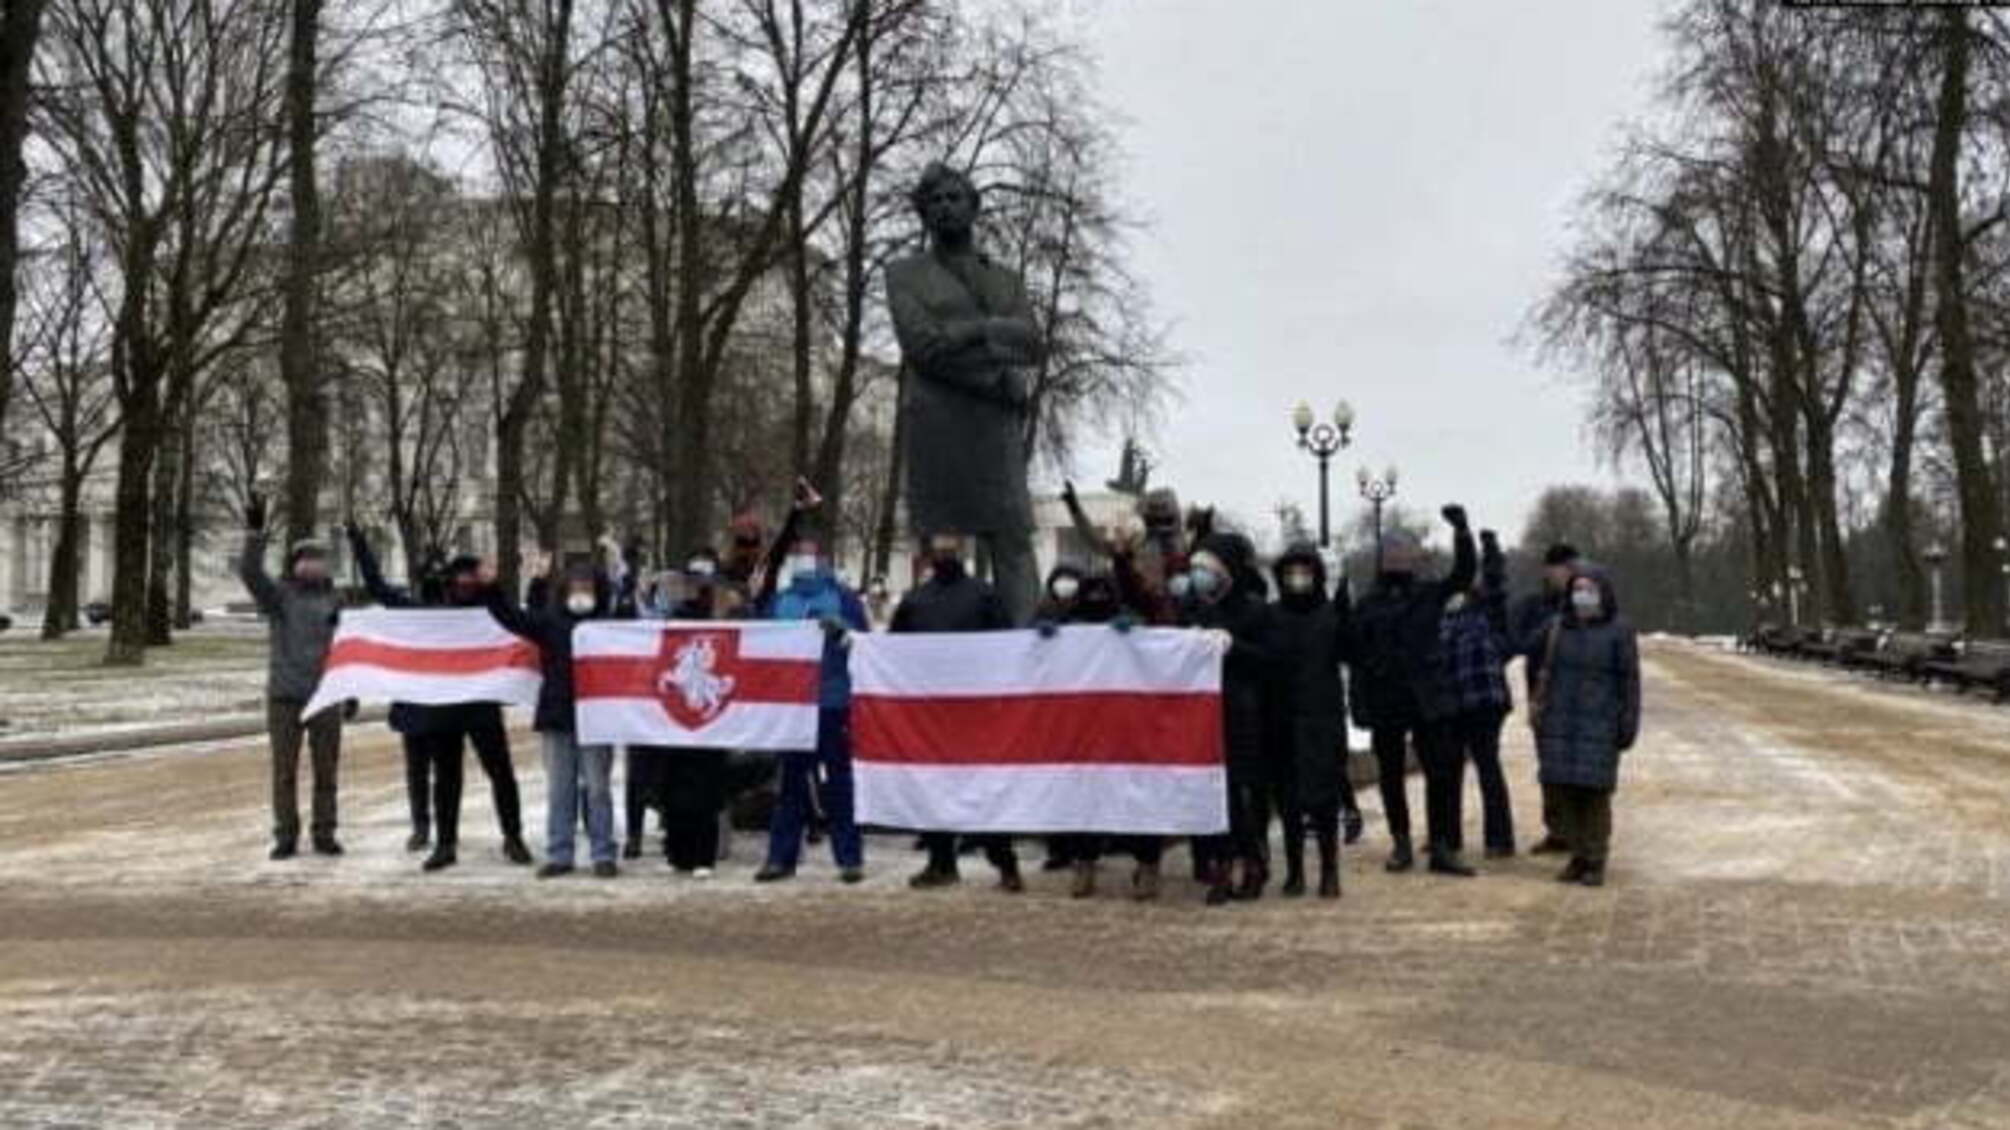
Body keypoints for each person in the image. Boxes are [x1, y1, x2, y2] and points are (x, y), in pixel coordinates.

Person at [886, 163, 1045, 624]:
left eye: (955, 198)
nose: (945, 207)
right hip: (940, 426)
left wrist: (971, 332)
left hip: (994, 433)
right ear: (922, 214)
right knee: (943, 549)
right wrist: (996, 372)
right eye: (934, 201)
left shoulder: (1005, 280)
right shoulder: (903, 274)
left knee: (1013, 539)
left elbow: (1031, 343)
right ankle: (945, 655)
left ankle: (1026, 648)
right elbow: (924, 347)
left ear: (974, 206)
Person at [350, 528, 533, 872]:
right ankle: (445, 844)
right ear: (450, 581)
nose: (465, 583)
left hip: (481, 706)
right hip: (444, 709)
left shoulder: (491, 611)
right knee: (447, 779)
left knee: (501, 774)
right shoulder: (430, 614)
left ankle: (514, 837)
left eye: (470, 577)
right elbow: (382, 592)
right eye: (459, 577)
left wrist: (495, 585)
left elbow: (521, 621)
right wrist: (360, 546)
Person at [1349, 505, 1478, 877]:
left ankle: (1440, 845)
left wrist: (1462, 534)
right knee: (1390, 774)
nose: (1397, 558)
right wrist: (1359, 702)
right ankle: (1401, 841)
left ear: (1414, 558)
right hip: (1386, 699)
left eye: (1403, 551)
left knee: (1438, 771)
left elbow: (1463, 575)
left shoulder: (1427, 593)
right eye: (1390, 552)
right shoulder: (1368, 604)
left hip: (1427, 697)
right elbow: (1356, 654)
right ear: (1380, 560)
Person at [895, 530, 1023, 891]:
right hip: (931, 713)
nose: (945, 554)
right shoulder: (915, 601)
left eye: (951, 549)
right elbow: (893, 652)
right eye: (939, 549)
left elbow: (1007, 646)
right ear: (929, 553)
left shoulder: (984, 596)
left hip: (978, 714)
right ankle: (941, 861)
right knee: (933, 788)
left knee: (985, 788)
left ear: (962, 552)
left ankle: (1006, 863)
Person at [487, 556, 623, 879]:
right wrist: (491, 588)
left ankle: (603, 853)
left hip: (597, 718)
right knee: (560, 789)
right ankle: (560, 853)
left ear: (598, 591)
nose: (581, 593)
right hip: (558, 715)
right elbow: (511, 618)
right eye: (576, 587)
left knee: (598, 788)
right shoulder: (551, 622)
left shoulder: (609, 624)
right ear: (564, 591)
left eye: (587, 588)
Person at [755, 533, 870, 884]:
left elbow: (866, 644)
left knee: (839, 783)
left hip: (833, 702)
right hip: (793, 707)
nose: (804, 559)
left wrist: (843, 631)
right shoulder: (780, 601)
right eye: (798, 554)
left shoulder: (843, 597)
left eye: (810, 553)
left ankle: (849, 858)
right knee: (791, 784)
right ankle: (781, 858)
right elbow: (759, 646)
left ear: (823, 558)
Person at [237, 493, 345, 861]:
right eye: (307, 559)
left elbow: (348, 648)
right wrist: (254, 533)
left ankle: (325, 832)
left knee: (326, 772)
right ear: (296, 564)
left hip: (327, 697)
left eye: (319, 560)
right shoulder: (280, 597)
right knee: (284, 772)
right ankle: (286, 835)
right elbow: (250, 574)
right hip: (286, 696)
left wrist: (351, 688)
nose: (313, 565)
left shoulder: (336, 601)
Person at [1032, 566, 1148, 899]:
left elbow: (1154, 644)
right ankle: (1084, 862)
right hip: (1082, 728)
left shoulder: (1128, 619)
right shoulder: (1067, 625)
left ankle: (1147, 862)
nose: (1097, 599)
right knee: (1085, 799)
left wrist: (1137, 630)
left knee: (1133, 798)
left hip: (1122, 726)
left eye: (1104, 592)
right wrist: (1041, 638)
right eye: (1091, 592)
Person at [1526, 562, 1641, 887]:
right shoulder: (1558, 627)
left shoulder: (1619, 630)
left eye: (1588, 589)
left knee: (1594, 795)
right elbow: (1529, 651)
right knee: (1564, 793)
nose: (1582, 595)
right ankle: (1577, 854)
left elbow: (1629, 682)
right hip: (1561, 724)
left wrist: (1627, 722)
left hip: (1599, 725)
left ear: (1602, 592)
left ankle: (1595, 858)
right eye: (1577, 589)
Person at [1183, 532, 1276, 905]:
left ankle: (1252, 862)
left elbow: (1271, 659)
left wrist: (1234, 646)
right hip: (1205, 714)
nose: (1200, 576)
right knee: (1214, 794)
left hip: (1244, 713)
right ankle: (1220, 863)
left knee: (1241, 793)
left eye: (1208, 568)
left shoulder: (1254, 610)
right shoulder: (1197, 609)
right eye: (1196, 569)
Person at [1266, 543, 1356, 899]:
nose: (1297, 579)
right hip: (1283, 719)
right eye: (1290, 572)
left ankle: (1330, 871)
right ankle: (1295, 872)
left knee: (1324, 799)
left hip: (1323, 719)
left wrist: (1347, 617)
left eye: (1304, 571)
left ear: (1316, 575)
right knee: (1288, 802)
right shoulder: (1272, 616)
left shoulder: (1330, 615)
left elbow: (1351, 653)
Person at [1437, 529, 1517, 858]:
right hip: (1453, 702)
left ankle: (1499, 839)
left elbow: (1495, 581)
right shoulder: (1442, 615)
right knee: (1450, 769)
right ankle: (1449, 837)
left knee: (1487, 766)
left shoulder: (1485, 609)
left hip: (1485, 700)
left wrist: (1490, 549)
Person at [1512, 542, 1581, 855]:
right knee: (1549, 765)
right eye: (1561, 568)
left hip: (1577, 694)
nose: (1566, 574)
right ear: (1548, 570)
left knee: (1577, 763)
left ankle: (1580, 831)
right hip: (1543, 693)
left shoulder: (1585, 600)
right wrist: (1550, 630)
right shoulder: (1534, 605)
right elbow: (1521, 642)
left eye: (1571, 567)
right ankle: (1557, 829)